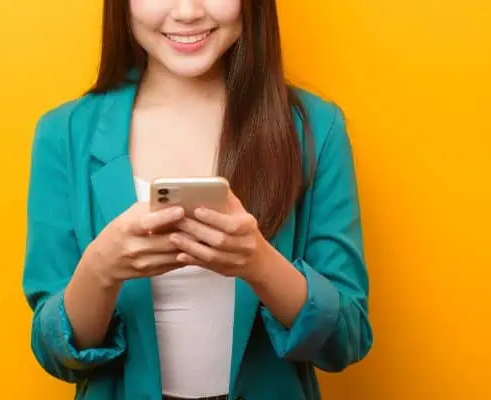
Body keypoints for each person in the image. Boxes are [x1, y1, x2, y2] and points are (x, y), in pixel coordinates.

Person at [22, 1, 373, 399]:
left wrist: (260, 264)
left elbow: (347, 338)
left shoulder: (316, 129)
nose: (188, 12)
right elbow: (54, 352)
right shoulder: (63, 135)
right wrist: (102, 269)